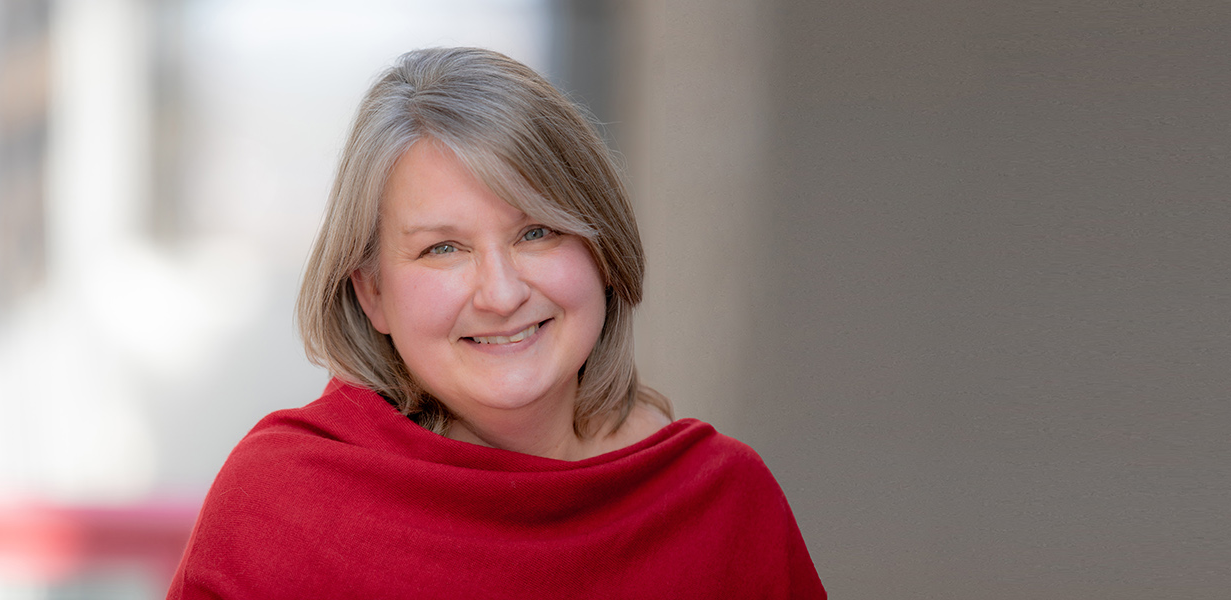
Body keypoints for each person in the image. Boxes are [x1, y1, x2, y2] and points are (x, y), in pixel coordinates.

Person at [167, 47, 824, 598]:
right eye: (442, 248)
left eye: (536, 231)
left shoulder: (723, 505)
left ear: (602, 252)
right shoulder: (283, 506)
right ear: (371, 294)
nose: (503, 293)